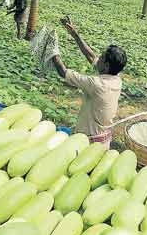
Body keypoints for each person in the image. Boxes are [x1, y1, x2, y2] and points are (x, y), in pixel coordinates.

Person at [51, 16, 127, 148]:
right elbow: (91, 56)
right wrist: (74, 34)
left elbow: (63, 72)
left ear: (107, 66)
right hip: (103, 141)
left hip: (88, 144)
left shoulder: (97, 84)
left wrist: (52, 50)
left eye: (102, 58)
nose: (98, 59)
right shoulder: (116, 79)